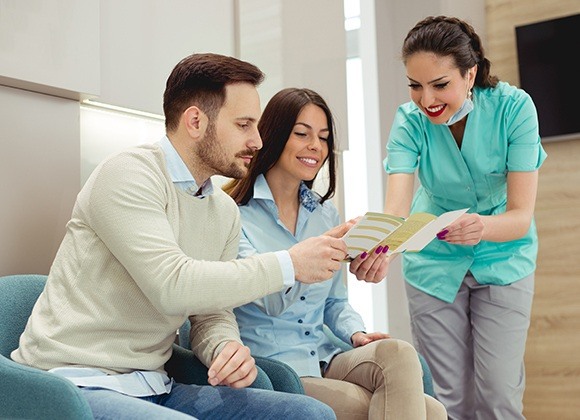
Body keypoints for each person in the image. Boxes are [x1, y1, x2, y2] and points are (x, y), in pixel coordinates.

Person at [10, 53, 350, 419]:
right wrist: (291, 264)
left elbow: (210, 312)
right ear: (195, 121)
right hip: (74, 384)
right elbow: (173, 285)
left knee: (309, 414)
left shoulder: (222, 211)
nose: (258, 140)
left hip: (156, 385)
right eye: (244, 125)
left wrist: (224, 347)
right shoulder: (128, 175)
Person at [225, 87, 447, 420]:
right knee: (413, 410)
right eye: (302, 134)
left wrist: (356, 333)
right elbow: (270, 299)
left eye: (324, 137)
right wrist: (312, 254)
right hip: (276, 366)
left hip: (326, 356)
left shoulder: (325, 215)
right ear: (274, 136)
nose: (316, 146)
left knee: (402, 357)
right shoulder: (234, 215)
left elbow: (334, 301)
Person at [383, 16, 547, 420]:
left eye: (440, 85)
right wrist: (379, 247)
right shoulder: (409, 121)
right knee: (444, 401)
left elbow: (520, 217)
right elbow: (395, 210)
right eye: (415, 85)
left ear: (470, 73)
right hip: (433, 263)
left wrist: (482, 228)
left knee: (498, 397)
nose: (426, 99)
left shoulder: (514, 108)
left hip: (504, 257)